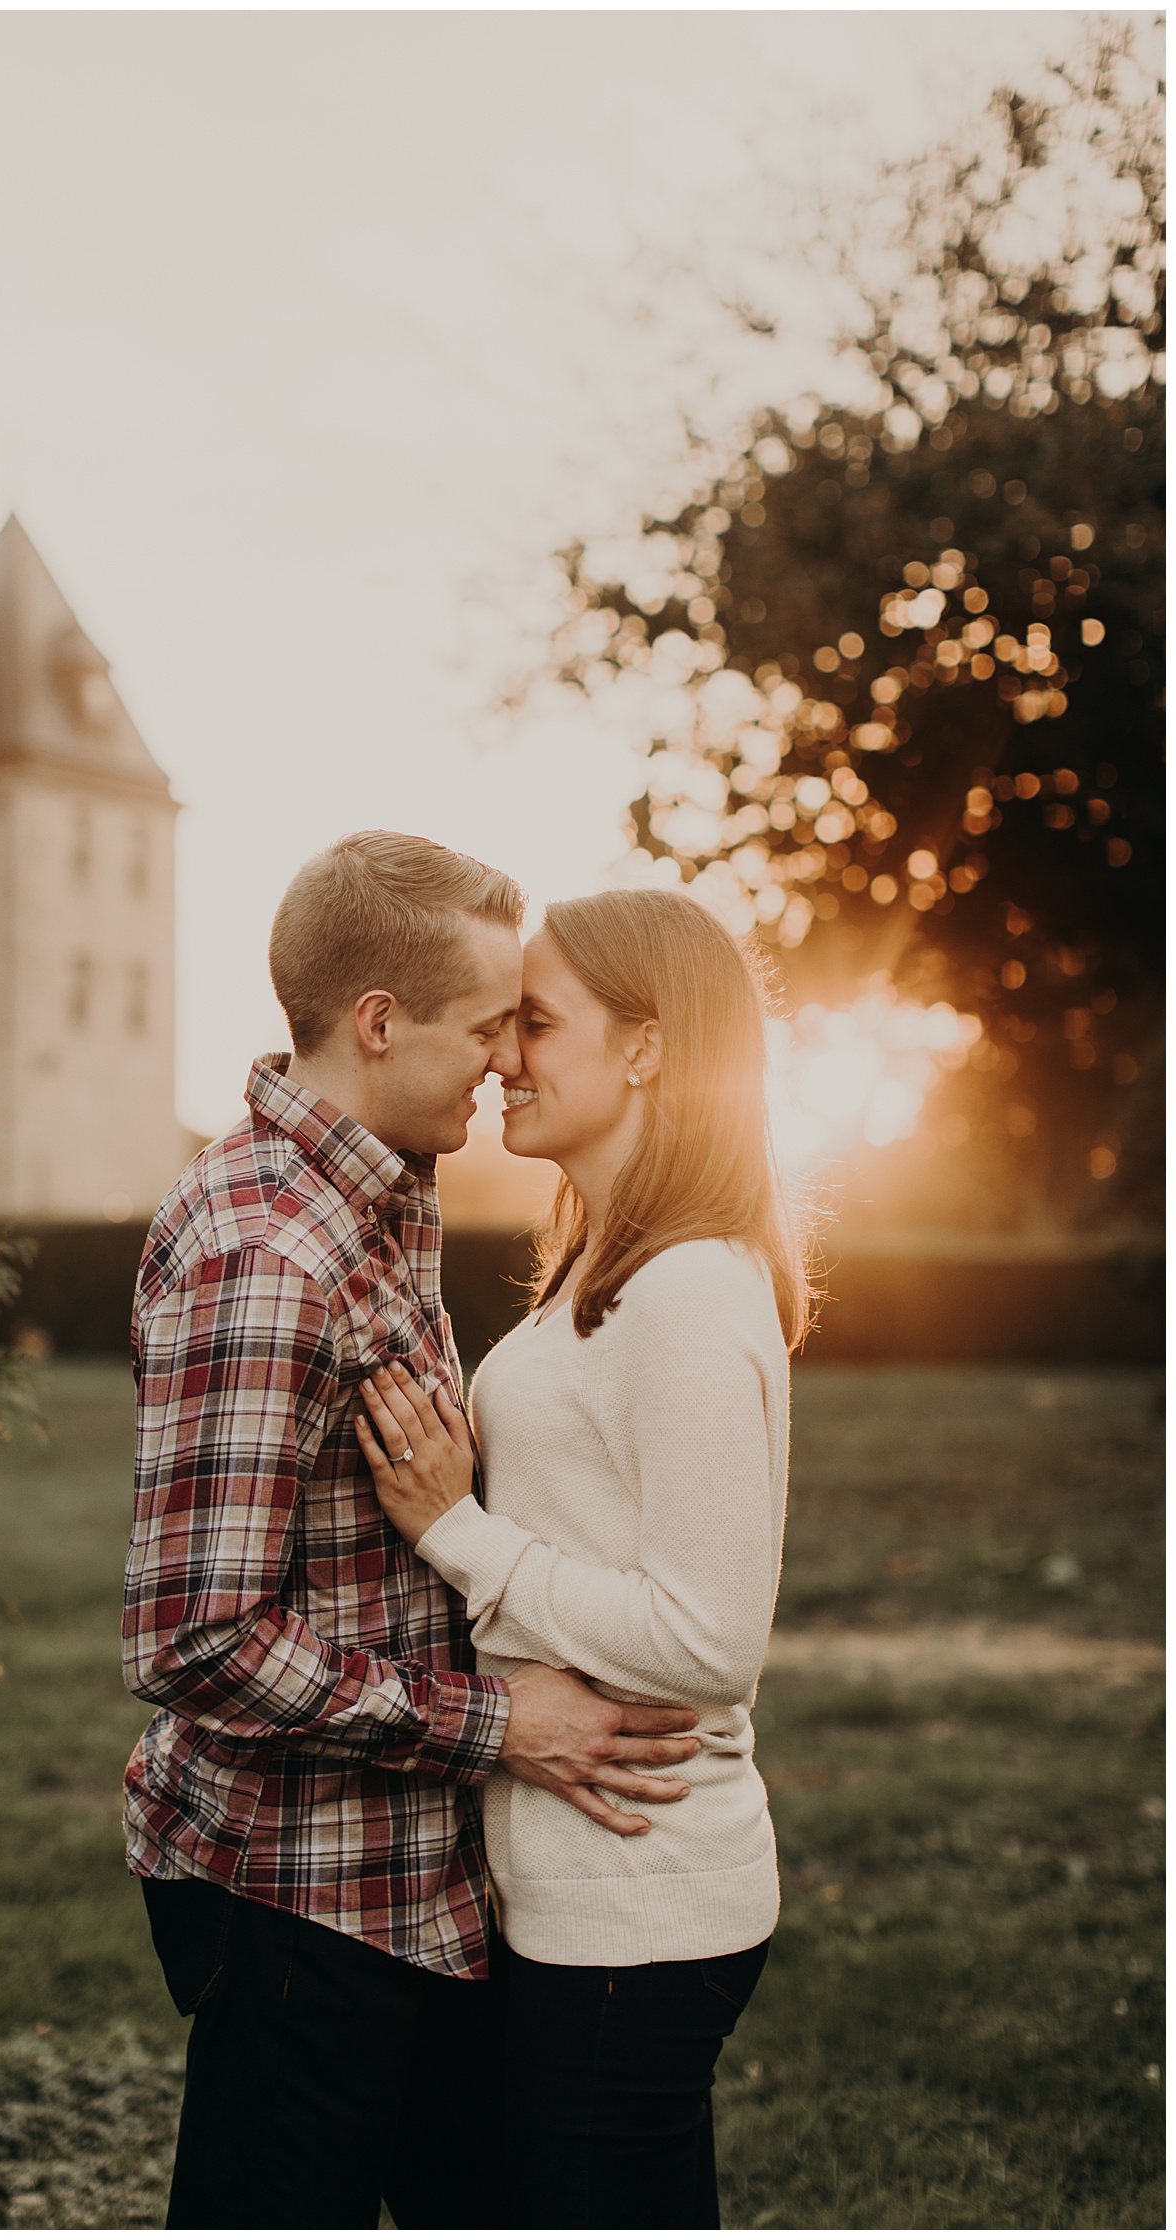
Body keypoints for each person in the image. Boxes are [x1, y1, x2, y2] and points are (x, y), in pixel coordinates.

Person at [122, 833, 702, 2231]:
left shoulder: (374, 1192)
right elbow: (199, 1638)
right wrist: (501, 1726)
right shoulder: (269, 1253)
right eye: (491, 1021)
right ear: (379, 1025)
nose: (510, 1057)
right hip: (297, 1894)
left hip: (404, 1877)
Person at [356, 884, 809, 2232]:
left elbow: (710, 1640)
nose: (502, 1057)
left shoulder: (687, 1292)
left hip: (642, 1897)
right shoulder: (599, 1268)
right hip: (578, 1887)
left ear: (646, 1047)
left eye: (537, 1023)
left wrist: (457, 1534)